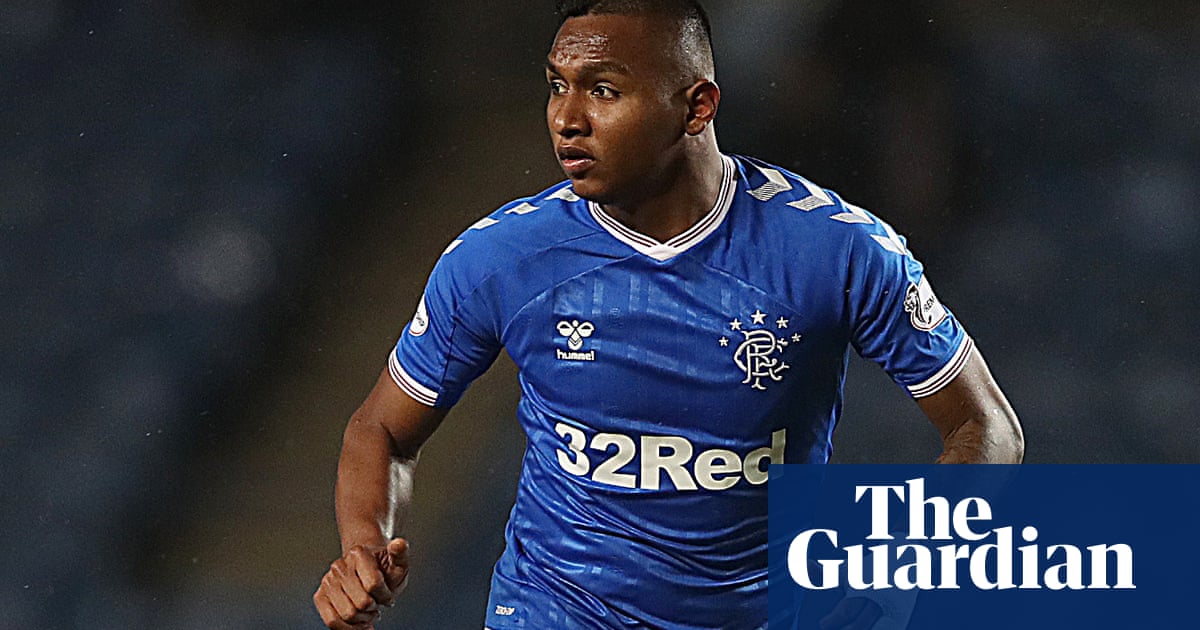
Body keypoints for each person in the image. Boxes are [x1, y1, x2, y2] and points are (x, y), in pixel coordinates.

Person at [312, 1, 1024, 628]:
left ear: (697, 107)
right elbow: (382, 430)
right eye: (557, 86)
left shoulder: (835, 250)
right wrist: (363, 548)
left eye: (603, 90)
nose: (566, 118)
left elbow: (985, 426)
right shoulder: (501, 259)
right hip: (555, 611)